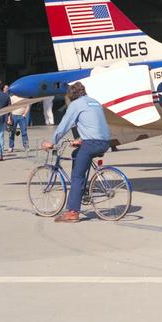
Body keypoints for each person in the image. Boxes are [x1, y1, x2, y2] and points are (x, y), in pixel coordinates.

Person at [41, 81, 111, 223]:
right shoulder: (94, 102)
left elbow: (64, 125)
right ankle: (82, 190)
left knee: (77, 177)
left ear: (71, 95)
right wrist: (80, 140)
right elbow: (93, 124)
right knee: (75, 154)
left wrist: (52, 142)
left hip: (92, 143)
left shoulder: (76, 104)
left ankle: (73, 212)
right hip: (105, 141)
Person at [8, 88, 31, 152]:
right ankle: (11, 146)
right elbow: (9, 107)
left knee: (24, 132)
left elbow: (28, 106)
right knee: (12, 132)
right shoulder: (12, 98)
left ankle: (26, 146)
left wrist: (24, 114)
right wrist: (9, 117)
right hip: (13, 116)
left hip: (21, 116)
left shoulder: (25, 98)